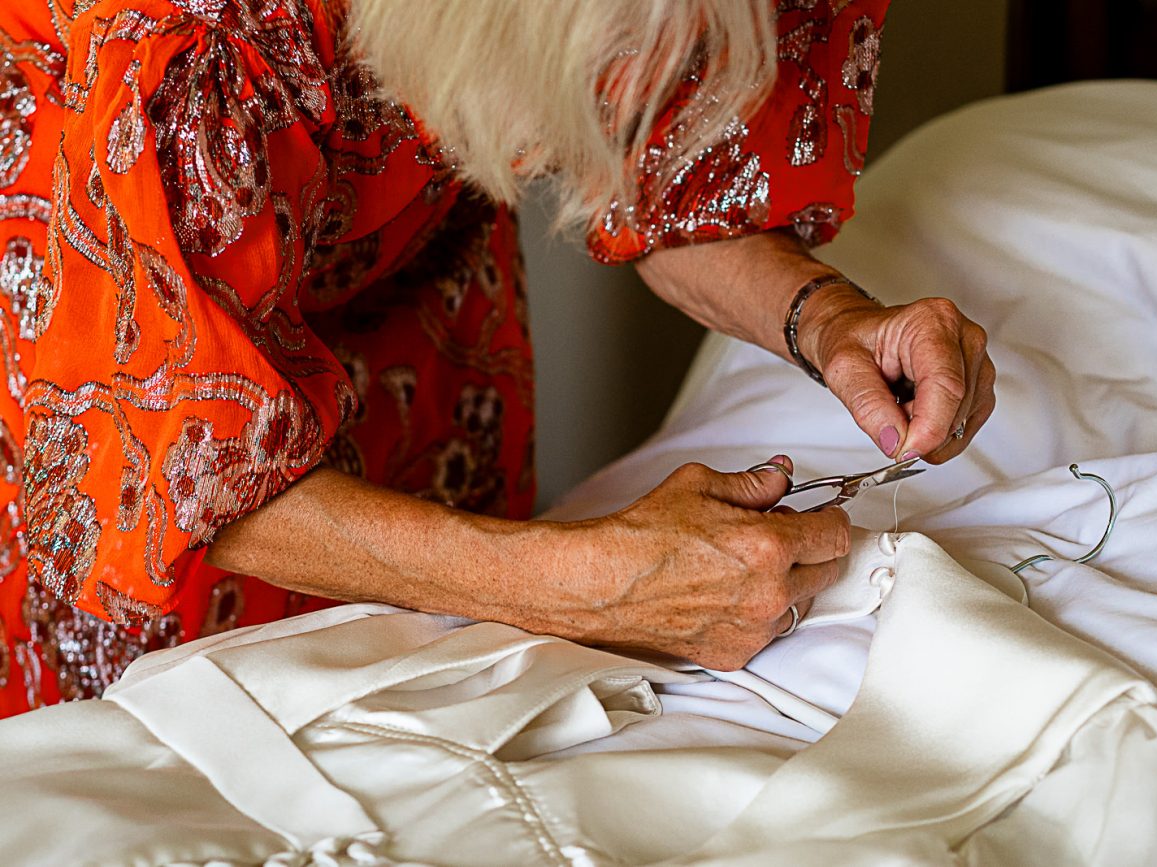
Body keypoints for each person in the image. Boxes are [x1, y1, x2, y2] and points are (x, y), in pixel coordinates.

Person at [0, 0, 994, 716]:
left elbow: (659, 193)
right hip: (94, 388)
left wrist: (824, 318)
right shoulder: (179, 32)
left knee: (422, 701)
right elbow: (163, 459)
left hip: (412, 332)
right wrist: (578, 584)